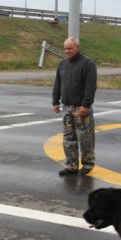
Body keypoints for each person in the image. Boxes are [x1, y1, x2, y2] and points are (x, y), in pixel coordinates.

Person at [52, 37, 97, 176]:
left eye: (69, 48)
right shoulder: (62, 64)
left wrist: (86, 105)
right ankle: (71, 165)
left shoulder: (87, 64)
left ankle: (88, 164)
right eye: (65, 48)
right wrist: (55, 101)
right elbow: (58, 83)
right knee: (68, 139)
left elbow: (91, 87)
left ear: (77, 47)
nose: (67, 51)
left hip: (81, 109)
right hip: (67, 108)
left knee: (85, 138)